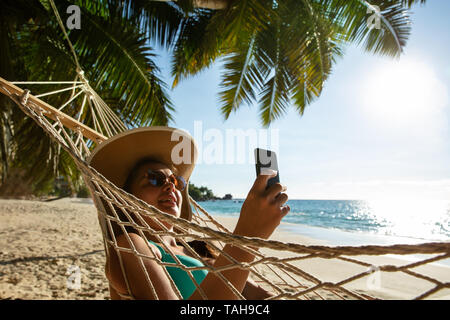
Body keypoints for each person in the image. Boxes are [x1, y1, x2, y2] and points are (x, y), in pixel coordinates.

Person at [88, 127, 290, 300]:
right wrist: (247, 236)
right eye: (155, 179)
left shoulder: (199, 252)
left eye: (176, 181)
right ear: (127, 199)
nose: (170, 187)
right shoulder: (130, 245)